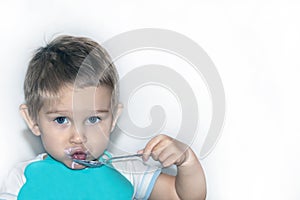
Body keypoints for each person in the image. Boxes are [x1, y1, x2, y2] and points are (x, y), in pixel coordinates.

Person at [0, 35, 206, 199]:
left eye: (93, 119)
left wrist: (186, 161)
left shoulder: (127, 171)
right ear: (33, 120)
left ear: (113, 118)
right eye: (61, 120)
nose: (79, 137)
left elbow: (182, 196)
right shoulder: (23, 179)